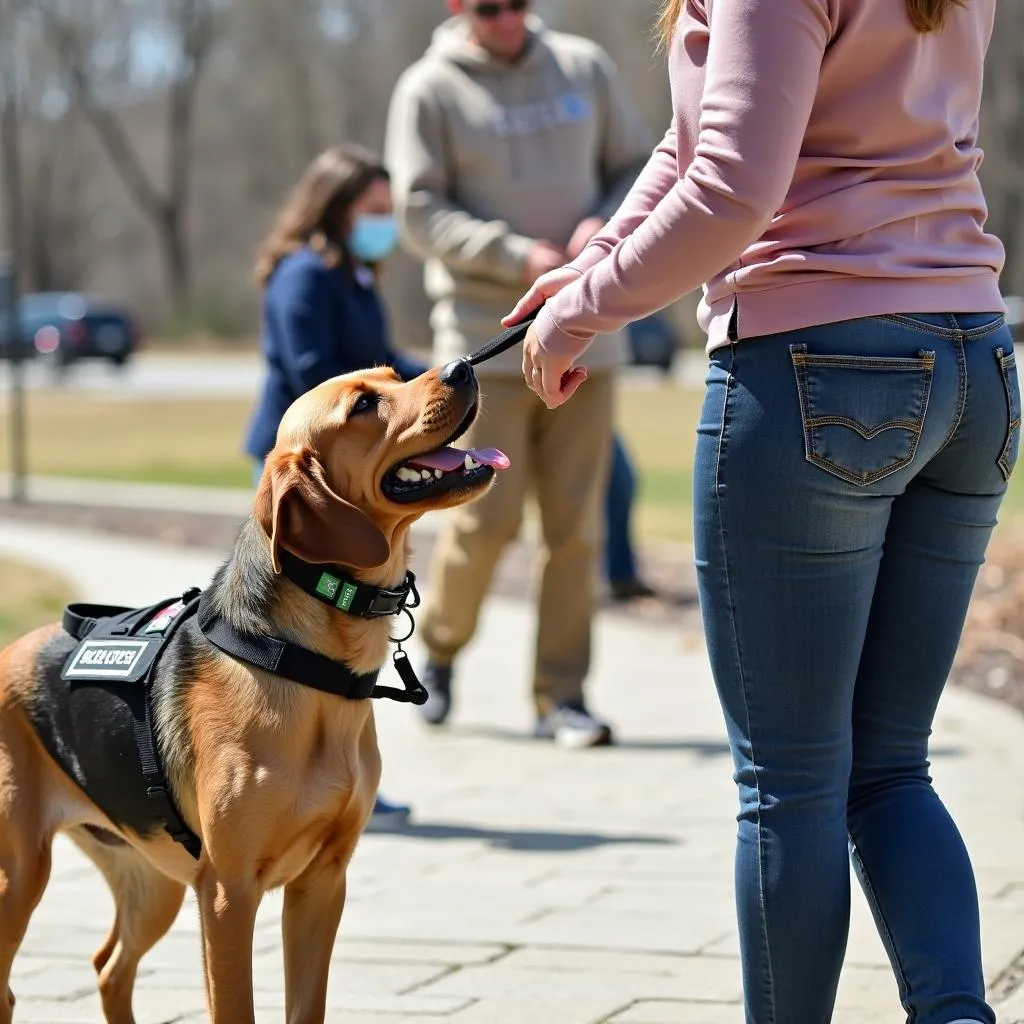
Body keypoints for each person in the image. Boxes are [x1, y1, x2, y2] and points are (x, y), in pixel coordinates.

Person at [506, 0, 1012, 1020]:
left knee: (791, 785)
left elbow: (733, 189)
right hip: (972, 360)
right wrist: (600, 255)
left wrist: (581, 310)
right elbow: (692, 143)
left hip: (817, 367)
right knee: (889, 766)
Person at [384, 0, 652, 747]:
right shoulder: (429, 89)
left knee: (577, 527)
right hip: (486, 344)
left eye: (521, 5)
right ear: (459, 7)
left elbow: (637, 165)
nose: (510, 21)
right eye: (493, 9)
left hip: (587, 332)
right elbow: (417, 210)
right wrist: (517, 256)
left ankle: (561, 697)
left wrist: (604, 227)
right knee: (485, 517)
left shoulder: (582, 67)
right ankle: (438, 652)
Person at [243, 143, 427, 832]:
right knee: (299, 633)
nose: (384, 221)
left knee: (347, 631)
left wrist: (429, 380)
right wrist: (393, 407)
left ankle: (346, 775)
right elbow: (314, 371)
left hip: (348, 463)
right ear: (337, 206)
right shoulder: (303, 275)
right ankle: (277, 776)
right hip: (298, 476)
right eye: (373, 209)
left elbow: (375, 374)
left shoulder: (354, 274)